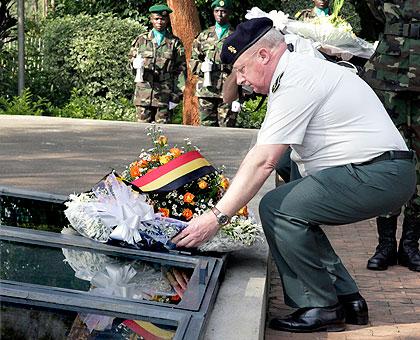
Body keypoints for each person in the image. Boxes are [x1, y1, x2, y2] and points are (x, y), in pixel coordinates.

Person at [172, 18, 417, 333]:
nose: (241, 80)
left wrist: (217, 216)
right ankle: (346, 296)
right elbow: (275, 156)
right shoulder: (300, 70)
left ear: (263, 55)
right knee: (291, 184)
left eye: (242, 69)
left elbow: (263, 160)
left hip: (379, 173)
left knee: (277, 208)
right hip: (381, 169)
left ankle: (319, 305)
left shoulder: (297, 79)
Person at [362, 0, 420, 272]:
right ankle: (385, 245)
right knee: (388, 160)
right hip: (389, 77)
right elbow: (375, 11)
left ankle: (410, 245)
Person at [128, 4, 186, 124]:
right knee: (141, 133)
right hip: (143, 94)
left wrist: (176, 95)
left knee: (163, 134)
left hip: (165, 95)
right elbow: (129, 64)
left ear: (167, 20)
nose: (160, 22)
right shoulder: (141, 40)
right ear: (151, 19)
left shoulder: (174, 42)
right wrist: (134, 65)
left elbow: (181, 70)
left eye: (163, 19)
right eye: (156, 19)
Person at [190, 0, 237, 127]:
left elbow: (244, 63)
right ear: (213, 13)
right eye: (217, 11)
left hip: (228, 88)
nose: (220, 14)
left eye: (223, 11)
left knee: (227, 128)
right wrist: (202, 67)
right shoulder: (204, 36)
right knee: (206, 128)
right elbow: (193, 60)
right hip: (207, 89)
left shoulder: (237, 36)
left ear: (229, 13)